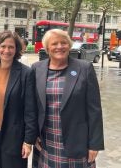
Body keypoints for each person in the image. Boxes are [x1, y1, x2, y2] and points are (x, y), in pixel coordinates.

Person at [32, 29, 104, 168]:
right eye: (54, 43)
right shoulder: (36, 68)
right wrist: (32, 135)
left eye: (63, 43)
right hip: (46, 142)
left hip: (77, 143)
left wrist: (94, 144)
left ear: (69, 45)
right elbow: (32, 106)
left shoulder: (84, 68)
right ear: (47, 48)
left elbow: (94, 109)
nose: (60, 46)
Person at [0, 30, 37, 168]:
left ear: (16, 49)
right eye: (3, 46)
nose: (6, 50)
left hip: (14, 136)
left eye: (11, 47)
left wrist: (28, 141)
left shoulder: (25, 73)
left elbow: (30, 109)